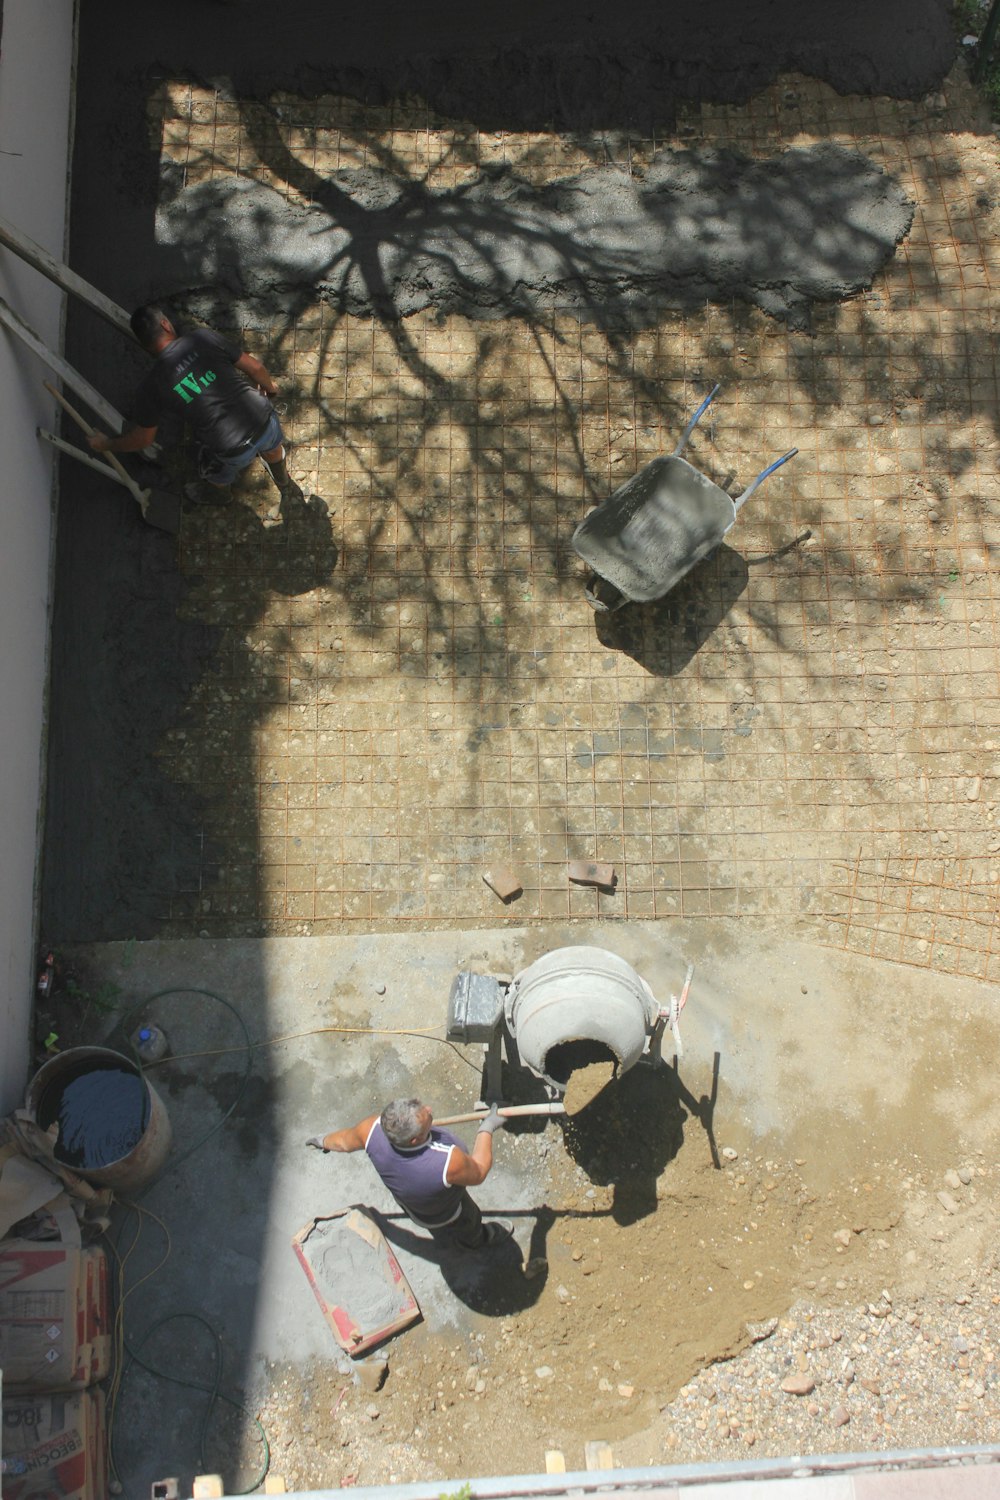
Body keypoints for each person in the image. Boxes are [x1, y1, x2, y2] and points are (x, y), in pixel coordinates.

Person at [87, 303, 303, 505]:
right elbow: (255, 368)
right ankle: (282, 480)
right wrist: (271, 388)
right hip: (264, 418)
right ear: (165, 324)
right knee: (273, 447)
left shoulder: (151, 386)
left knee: (215, 471)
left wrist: (106, 444)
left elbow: (143, 439)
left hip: (230, 449)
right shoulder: (202, 338)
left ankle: (222, 495)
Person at [306, 1097, 512, 1251]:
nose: (430, 1109)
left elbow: (342, 1141)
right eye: (426, 1116)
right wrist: (487, 1127)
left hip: (411, 1206)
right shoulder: (446, 1162)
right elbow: (479, 1170)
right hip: (446, 1212)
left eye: (421, 1107)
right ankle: (478, 1239)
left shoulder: (371, 1129)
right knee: (468, 1221)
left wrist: (322, 1140)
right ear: (415, 1140)